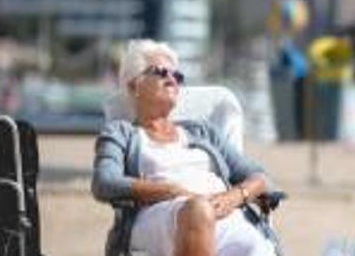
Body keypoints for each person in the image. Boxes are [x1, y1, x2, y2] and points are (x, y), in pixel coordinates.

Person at [92, 39, 279, 256]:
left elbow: (261, 178)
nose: (172, 79)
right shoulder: (121, 133)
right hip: (161, 217)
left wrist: (234, 197)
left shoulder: (202, 131)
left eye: (177, 76)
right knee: (197, 211)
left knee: (258, 246)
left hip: (223, 214)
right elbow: (104, 182)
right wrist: (171, 190)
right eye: (161, 72)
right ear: (134, 85)